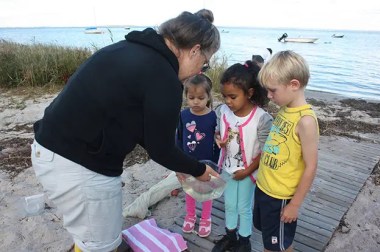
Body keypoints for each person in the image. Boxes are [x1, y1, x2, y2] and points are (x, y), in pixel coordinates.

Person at [31, 9, 220, 252]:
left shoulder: (127, 50)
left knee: (90, 239)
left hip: (49, 150)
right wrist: (199, 169)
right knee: (101, 246)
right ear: (194, 49)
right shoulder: (163, 77)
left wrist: (180, 166)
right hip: (80, 166)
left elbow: (140, 127)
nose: (200, 71)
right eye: (204, 63)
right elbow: (160, 148)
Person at [253, 50, 319, 252]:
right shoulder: (285, 108)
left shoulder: (306, 121)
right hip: (264, 187)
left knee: (276, 246)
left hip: (280, 197)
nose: (269, 96)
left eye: (273, 91)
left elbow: (311, 166)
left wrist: (295, 205)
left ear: (294, 85)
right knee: (274, 241)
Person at [212, 61, 273, 252]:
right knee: (229, 204)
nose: (228, 101)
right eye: (224, 96)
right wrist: (218, 139)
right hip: (227, 169)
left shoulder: (261, 118)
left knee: (244, 207)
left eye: (233, 97)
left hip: (248, 172)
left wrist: (247, 171)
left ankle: (244, 240)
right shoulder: (222, 112)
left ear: (249, 93)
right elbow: (217, 131)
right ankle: (230, 236)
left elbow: (266, 152)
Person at [175, 74, 220, 238]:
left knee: (207, 192)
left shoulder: (213, 117)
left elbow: (218, 144)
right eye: (191, 97)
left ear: (208, 96)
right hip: (187, 162)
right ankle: (190, 215)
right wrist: (177, 164)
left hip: (207, 164)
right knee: (189, 190)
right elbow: (179, 139)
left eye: (201, 98)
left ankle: (206, 218)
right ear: (186, 96)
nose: (196, 101)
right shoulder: (183, 115)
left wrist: (216, 165)